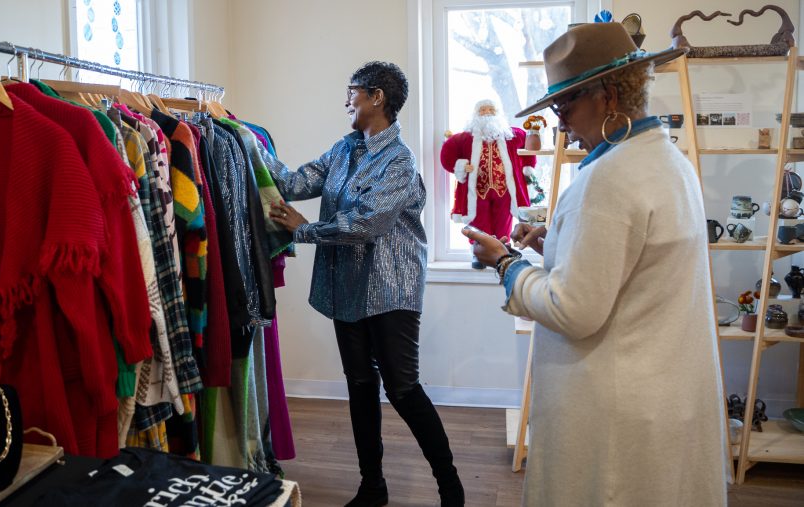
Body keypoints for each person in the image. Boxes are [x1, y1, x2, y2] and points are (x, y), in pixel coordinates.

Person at [465, 23, 728, 506]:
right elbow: (634, 269)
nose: (560, 122)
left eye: (564, 107)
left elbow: (574, 311)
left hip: (615, 407)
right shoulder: (667, 162)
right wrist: (558, 243)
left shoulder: (609, 179)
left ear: (607, 96)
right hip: (661, 395)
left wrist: (504, 262)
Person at [263, 61, 464, 507]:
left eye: (351, 92)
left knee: (403, 389)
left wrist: (304, 229)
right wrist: (247, 144)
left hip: (392, 290)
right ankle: (372, 486)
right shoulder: (345, 149)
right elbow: (295, 181)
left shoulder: (400, 161)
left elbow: (367, 223)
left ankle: (451, 488)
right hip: (347, 288)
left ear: (376, 97)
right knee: (359, 385)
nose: (345, 101)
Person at [440, 100, 537, 268]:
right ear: (476, 114)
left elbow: (528, 148)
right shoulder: (464, 138)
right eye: (483, 110)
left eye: (491, 110)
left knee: (503, 220)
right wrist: (462, 165)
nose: (487, 113)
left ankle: (502, 250)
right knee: (479, 221)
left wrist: (528, 167)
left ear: (498, 113)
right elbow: (447, 155)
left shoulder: (512, 135)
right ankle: (479, 253)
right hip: (477, 190)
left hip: (504, 189)